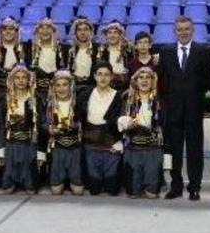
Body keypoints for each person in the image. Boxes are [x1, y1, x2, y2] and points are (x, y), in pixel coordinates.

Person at [158, 16, 210, 201]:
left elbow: (208, 82)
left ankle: (195, 187)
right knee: (174, 151)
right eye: (179, 29)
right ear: (174, 31)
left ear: (193, 30)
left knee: (195, 151)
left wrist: (200, 102)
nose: (183, 32)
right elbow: (162, 81)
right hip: (172, 112)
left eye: (187, 29)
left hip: (194, 111)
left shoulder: (202, 51)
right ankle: (176, 186)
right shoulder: (165, 52)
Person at [77, 62, 123, 196]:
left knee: (112, 190)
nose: (103, 78)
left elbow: (123, 122)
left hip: (111, 146)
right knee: (94, 190)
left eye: (107, 75)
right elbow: (78, 118)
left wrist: (121, 143)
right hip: (91, 147)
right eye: (100, 74)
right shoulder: (84, 94)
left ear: (112, 77)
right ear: (94, 76)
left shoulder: (119, 96)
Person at [0, 64, 42, 194]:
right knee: (7, 188)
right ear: (12, 80)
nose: (21, 81)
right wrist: (1, 148)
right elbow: (1, 125)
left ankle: (28, 181)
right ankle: (11, 180)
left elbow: (38, 124)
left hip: (29, 141)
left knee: (31, 187)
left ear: (29, 80)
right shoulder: (5, 99)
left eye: (24, 77)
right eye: (17, 77)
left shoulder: (35, 99)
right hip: (11, 141)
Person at [118, 67, 163, 199]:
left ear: (153, 81)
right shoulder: (127, 98)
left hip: (153, 148)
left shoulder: (160, 100)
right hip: (133, 147)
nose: (144, 81)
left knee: (152, 194)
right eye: (140, 78)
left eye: (147, 78)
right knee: (133, 193)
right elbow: (119, 119)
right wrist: (125, 123)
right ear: (135, 81)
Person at [42, 70, 83, 195]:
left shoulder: (77, 103)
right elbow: (42, 123)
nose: (61, 88)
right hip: (57, 147)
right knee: (56, 190)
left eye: (65, 84)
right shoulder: (48, 104)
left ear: (70, 86)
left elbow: (85, 121)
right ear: (53, 87)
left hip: (75, 147)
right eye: (58, 85)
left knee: (78, 191)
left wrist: (77, 125)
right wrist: (49, 129)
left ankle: (74, 180)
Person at [0, 18, 29, 99]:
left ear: (16, 32)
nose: (8, 32)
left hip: (22, 88)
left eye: (11, 29)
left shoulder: (25, 49)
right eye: (4, 29)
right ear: (1, 32)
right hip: (1, 89)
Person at [29, 18, 66, 101]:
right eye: (41, 27)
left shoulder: (62, 49)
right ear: (37, 31)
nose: (45, 30)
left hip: (57, 89)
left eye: (48, 27)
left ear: (53, 30)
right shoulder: (30, 48)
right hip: (36, 90)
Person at [66, 17, 98, 93]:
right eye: (79, 30)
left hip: (93, 87)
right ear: (75, 33)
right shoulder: (71, 50)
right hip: (75, 87)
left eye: (85, 29)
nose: (82, 32)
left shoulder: (98, 49)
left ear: (91, 31)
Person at [98, 21, 132, 91]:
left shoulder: (128, 52)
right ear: (106, 35)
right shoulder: (102, 52)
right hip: (107, 86)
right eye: (109, 32)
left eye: (115, 32)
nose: (112, 35)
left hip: (125, 87)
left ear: (120, 35)